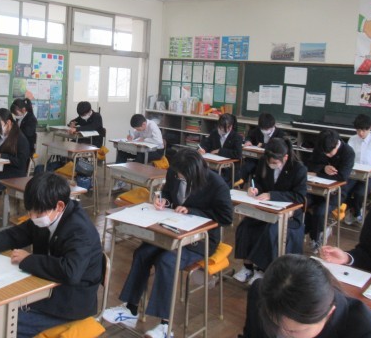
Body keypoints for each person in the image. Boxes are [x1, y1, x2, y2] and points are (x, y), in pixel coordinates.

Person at [0, 172, 103, 338]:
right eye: (30, 211)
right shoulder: (48, 213)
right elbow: (14, 235)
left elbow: (70, 272)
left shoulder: (80, 230)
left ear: (59, 206)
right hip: (42, 287)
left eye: (37, 213)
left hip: (67, 302)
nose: (32, 217)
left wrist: (28, 260)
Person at [103, 148, 233, 338]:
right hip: (172, 229)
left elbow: (226, 217)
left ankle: (165, 325)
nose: (177, 177)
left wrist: (192, 211)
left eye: (181, 175)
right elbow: (168, 193)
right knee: (142, 253)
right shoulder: (174, 173)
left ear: (194, 172)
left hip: (199, 239)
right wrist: (163, 201)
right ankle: (131, 309)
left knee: (167, 261)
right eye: (176, 174)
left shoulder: (216, 184)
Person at [240, 254, 371, 338]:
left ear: (329, 313)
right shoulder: (261, 294)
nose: (282, 335)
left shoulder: (366, 331)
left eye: (294, 332)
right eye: (274, 323)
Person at [233, 138, 307, 284]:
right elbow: (259, 182)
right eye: (269, 162)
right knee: (245, 226)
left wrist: (272, 195)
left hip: (289, 216)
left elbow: (299, 196)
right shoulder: (264, 162)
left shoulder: (298, 169)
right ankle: (247, 267)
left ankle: (263, 270)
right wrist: (254, 189)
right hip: (265, 209)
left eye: (274, 162)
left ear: (285, 157)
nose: (271, 165)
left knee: (270, 231)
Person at [305, 130, 355, 252]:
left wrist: (318, 173)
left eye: (330, 153)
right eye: (325, 153)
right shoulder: (322, 146)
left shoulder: (348, 152)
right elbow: (310, 165)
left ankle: (316, 238)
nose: (327, 155)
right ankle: (312, 228)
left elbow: (342, 177)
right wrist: (324, 168)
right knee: (301, 203)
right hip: (315, 189)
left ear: (336, 144)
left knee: (320, 211)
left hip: (336, 193)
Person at [113, 114, 164, 191]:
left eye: (138, 129)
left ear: (144, 124)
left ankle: (129, 179)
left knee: (139, 157)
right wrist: (131, 137)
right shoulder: (140, 126)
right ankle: (119, 178)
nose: (138, 130)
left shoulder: (152, 126)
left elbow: (159, 141)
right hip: (142, 150)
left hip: (156, 151)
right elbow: (135, 134)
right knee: (122, 151)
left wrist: (145, 139)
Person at [239, 113, 285, 185]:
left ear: (273, 125)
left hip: (270, 160)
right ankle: (238, 185)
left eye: (267, 129)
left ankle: (257, 186)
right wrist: (248, 141)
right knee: (246, 167)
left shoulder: (280, 134)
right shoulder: (258, 130)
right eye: (263, 129)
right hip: (255, 159)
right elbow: (249, 136)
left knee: (260, 172)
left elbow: (278, 147)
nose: (265, 130)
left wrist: (263, 145)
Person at [198, 113, 243, 186]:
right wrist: (202, 149)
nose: (221, 130)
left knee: (214, 180)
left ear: (230, 127)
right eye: (220, 127)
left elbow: (238, 154)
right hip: (214, 166)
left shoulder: (237, 137)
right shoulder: (215, 132)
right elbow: (206, 143)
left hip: (229, 170)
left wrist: (220, 151)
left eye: (223, 128)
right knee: (202, 175)